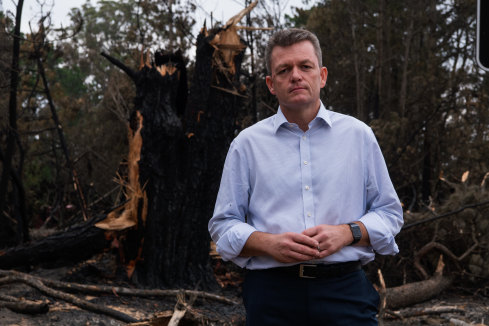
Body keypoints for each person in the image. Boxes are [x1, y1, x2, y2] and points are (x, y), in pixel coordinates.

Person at [208, 28, 403, 325]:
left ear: (321, 76)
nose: (296, 76)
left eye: (305, 66)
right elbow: (222, 226)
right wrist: (268, 243)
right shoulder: (247, 144)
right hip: (272, 294)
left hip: (345, 291)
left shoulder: (358, 136)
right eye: (284, 70)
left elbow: (390, 214)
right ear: (272, 84)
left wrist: (347, 232)